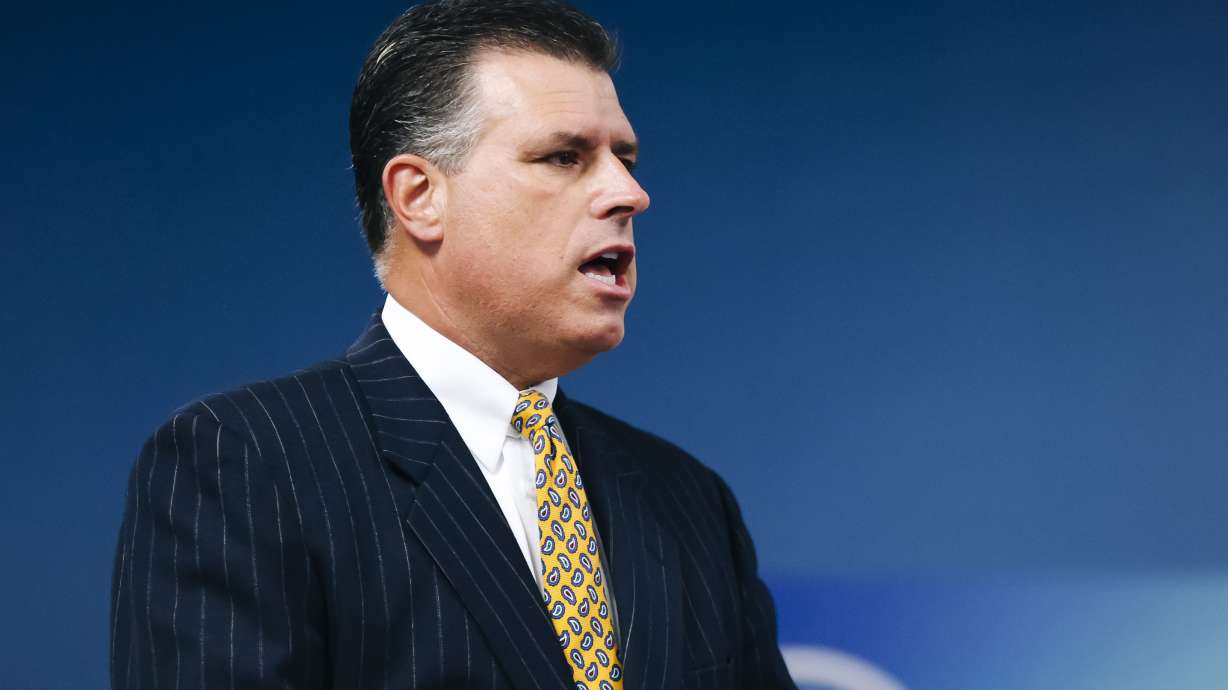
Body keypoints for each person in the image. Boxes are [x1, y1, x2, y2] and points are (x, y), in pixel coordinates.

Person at [109, 1, 796, 688]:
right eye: (564, 156)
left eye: (625, 158)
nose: (630, 193)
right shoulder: (248, 466)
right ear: (419, 197)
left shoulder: (688, 499)